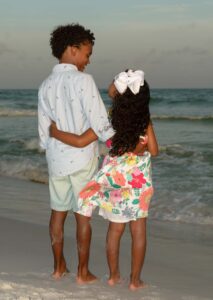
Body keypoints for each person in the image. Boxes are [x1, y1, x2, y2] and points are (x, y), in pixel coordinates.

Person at [50, 69, 159, 290]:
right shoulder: (145, 121)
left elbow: (82, 141)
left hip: (116, 183)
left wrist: (54, 132)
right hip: (139, 185)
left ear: (119, 93)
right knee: (138, 232)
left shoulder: (110, 120)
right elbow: (154, 151)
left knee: (115, 230)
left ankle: (113, 275)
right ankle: (135, 281)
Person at [38, 23, 114, 282]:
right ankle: (83, 271)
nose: (88, 60)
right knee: (83, 216)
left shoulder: (45, 85)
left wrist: (52, 146)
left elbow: (44, 131)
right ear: (72, 49)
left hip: (56, 160)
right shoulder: (84, 81)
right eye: (87, 53)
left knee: (57, 212)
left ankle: (58, 267)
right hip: (82, 160)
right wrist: (114, 141)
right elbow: (99, 120)